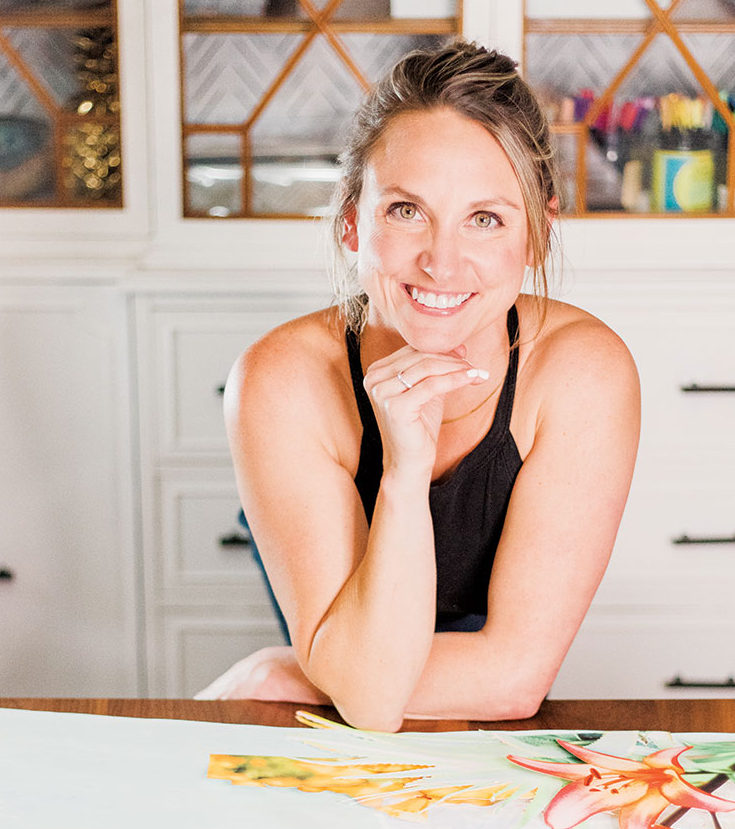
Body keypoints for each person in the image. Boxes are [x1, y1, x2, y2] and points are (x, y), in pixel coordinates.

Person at [196, 40, 640, 731]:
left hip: (420, 702)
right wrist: (403, 474)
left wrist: (293, 672)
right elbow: (369, 702)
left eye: (485, 219)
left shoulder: (583, 373)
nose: (441, 260)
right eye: (406, 210)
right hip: (352, 684)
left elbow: (515, 683)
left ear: (538, 235)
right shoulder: (280, 381)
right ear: (351, 223)